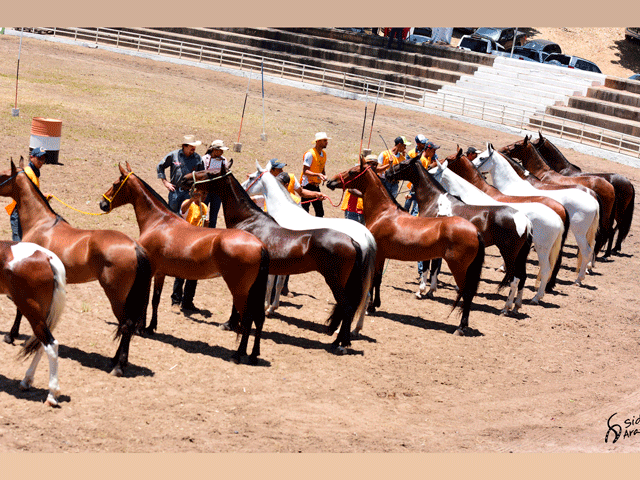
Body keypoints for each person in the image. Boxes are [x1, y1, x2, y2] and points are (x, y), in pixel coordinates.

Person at [157, 134, 205, 310]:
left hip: (190, 193)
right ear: (184, 146)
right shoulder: (174, 156)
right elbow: (160, 166)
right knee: (172, 219)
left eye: (194, 146)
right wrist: (165, 182)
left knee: (188, 220)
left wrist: (198, 193)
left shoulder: (198, 158)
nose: (194, 149)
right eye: (191, 146)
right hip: (176, 192)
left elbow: (201, 174)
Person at [6, 147, 51, 241]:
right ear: (31, 157)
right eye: (39, 158)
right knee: (19, 244)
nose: (41, 161)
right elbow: (24, 195)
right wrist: (42, 197)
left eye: (43, 159)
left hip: (26, 214)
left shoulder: (34, 172)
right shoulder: (27, 172)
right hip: (19, 214)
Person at [177, 188, 209, 312]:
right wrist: (191, 199)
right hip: (185, 240)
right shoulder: (188, 203)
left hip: (197, 242)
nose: (205, 195)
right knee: (180, 273)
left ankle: (188, 301)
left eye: (206, 193)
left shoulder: (204, 207)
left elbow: (203, 227)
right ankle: (176, 299)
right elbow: (182, 211)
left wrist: (206, 225)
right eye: (203, 193)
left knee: (194, 273)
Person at [202, 139, 231, 228]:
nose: (222, 152)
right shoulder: (204, 159)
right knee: (202, 214)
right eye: (220, 150)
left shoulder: (224, 160)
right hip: (205, 191)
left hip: (217, 192)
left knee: (213, 216)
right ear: (214, 150)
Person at [300, 132, 330, 217]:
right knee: (304, 211)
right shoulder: (310, 154)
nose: (326, 142)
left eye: (326, 140)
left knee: (320, 212)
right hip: (307, 185)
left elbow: (322, 169)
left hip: (316, 185)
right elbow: (305, 171)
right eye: (324, 140)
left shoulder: (324, 154)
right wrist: (318, 174)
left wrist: (324, 176)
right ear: (318, 141)